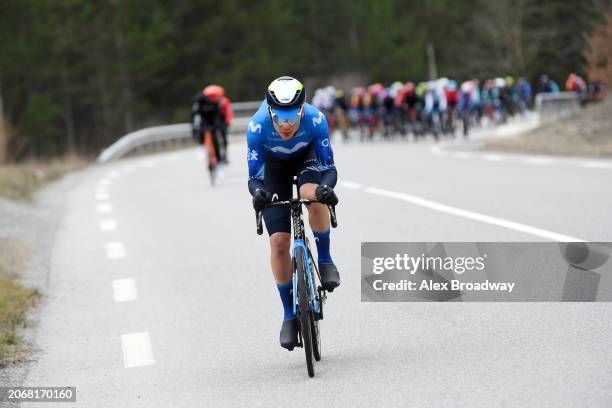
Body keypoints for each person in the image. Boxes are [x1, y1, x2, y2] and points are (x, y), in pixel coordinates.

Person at [246, 76, 341, 349]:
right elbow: (254, 179)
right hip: (274, 170)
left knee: (312, 194)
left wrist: (326, 189)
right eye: (279, 118)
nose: (285, 126)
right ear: (271, 112)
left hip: (306, 159)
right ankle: (289, 315)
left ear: (301, 110)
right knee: (278, 243)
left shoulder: (315, 120)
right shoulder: (257, 127)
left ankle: (324, 258)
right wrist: (258, 194)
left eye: (291, 118)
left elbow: (330, 169)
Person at [191, 85, 233, 164]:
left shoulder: (223, 102)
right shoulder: (200, 101)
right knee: (201, 130)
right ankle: (201, 146)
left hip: (219, 119)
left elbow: (227, 113)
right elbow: (195, 115)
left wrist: (225, 123)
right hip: (205, 119)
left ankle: (223, 155)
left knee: (221, 136)